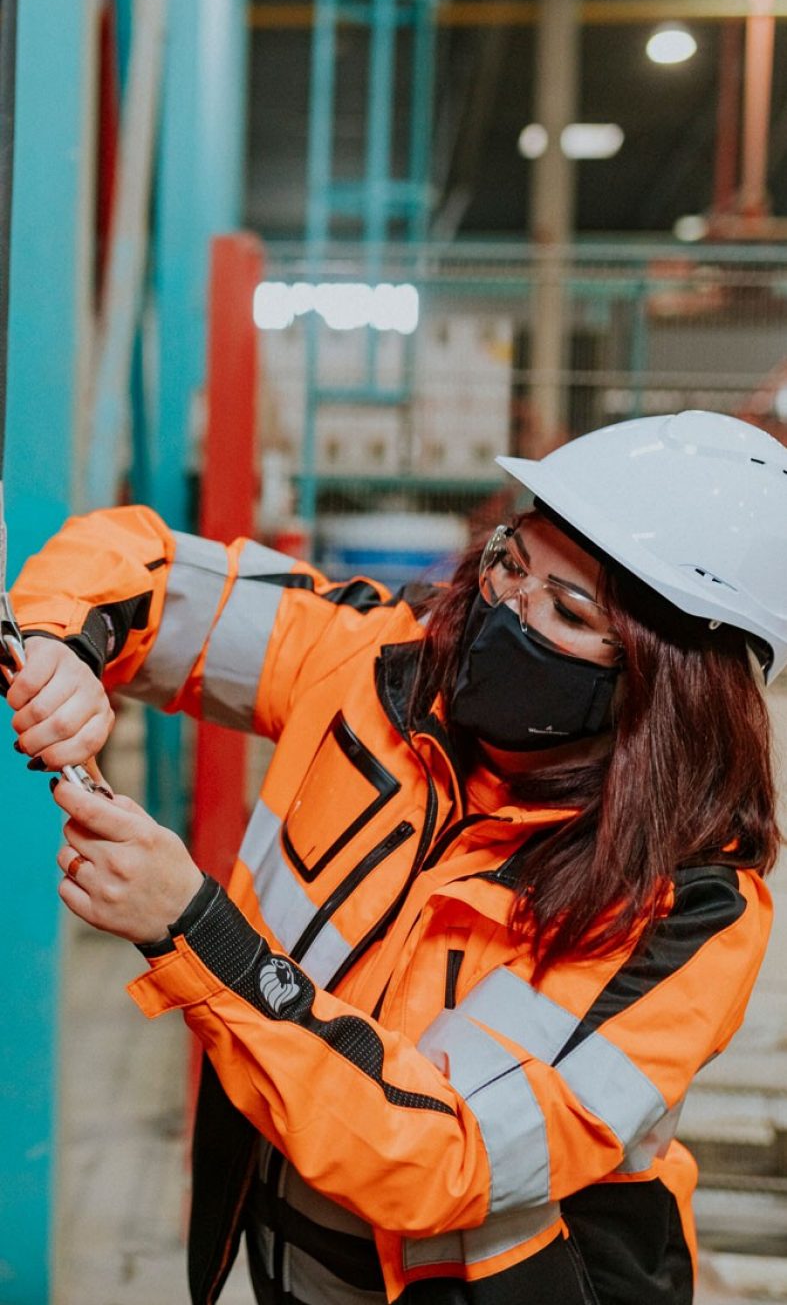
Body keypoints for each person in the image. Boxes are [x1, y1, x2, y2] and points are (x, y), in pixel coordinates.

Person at [6, 409, 785, 1305]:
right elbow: (140, 566)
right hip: (286, 1251)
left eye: (569, 611)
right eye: (510, 562)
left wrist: (196, 931)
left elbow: (447, 1156)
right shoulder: (382, 665)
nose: (506, 610)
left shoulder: (687, 910)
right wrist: (66, 647)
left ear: (672, 678)